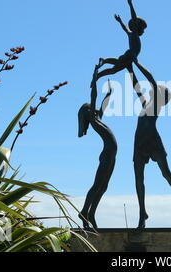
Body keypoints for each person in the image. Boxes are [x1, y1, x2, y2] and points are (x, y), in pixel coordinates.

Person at [131, 59, 171, 228]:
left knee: (166, 173)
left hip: (153, 140)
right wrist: (129, 68)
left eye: (156, 89)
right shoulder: (146, 103)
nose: (152, 88)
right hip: (139, 143)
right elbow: (136, 87)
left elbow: (150, 77)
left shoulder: (157, 103)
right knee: (138, 178)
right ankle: (142, 214)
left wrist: (135, 62)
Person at [78, 64, 116, 229]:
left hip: (111, 154)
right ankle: (84, 212)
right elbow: (94, 97)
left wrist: (109, 93)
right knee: (97, 185)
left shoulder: (98, 118)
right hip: (107, 154)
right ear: (87, 113)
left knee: (104, 186)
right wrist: (95, 77)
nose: (93, 108)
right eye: (90, 107)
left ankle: (91, 213)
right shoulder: (94, 121)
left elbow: (103, 105)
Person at [93, 0, 147, 86]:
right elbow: (133, 18)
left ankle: (104, 61)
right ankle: (99, 73)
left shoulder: (131, 34)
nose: (143, 31)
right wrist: (130, 5)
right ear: (136, 26)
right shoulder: (134, 34)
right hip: (130, 56)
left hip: (130, 56)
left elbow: (125, 28)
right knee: (115, 70)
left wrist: (120, 21)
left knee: (127, 72)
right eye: (142, 29)